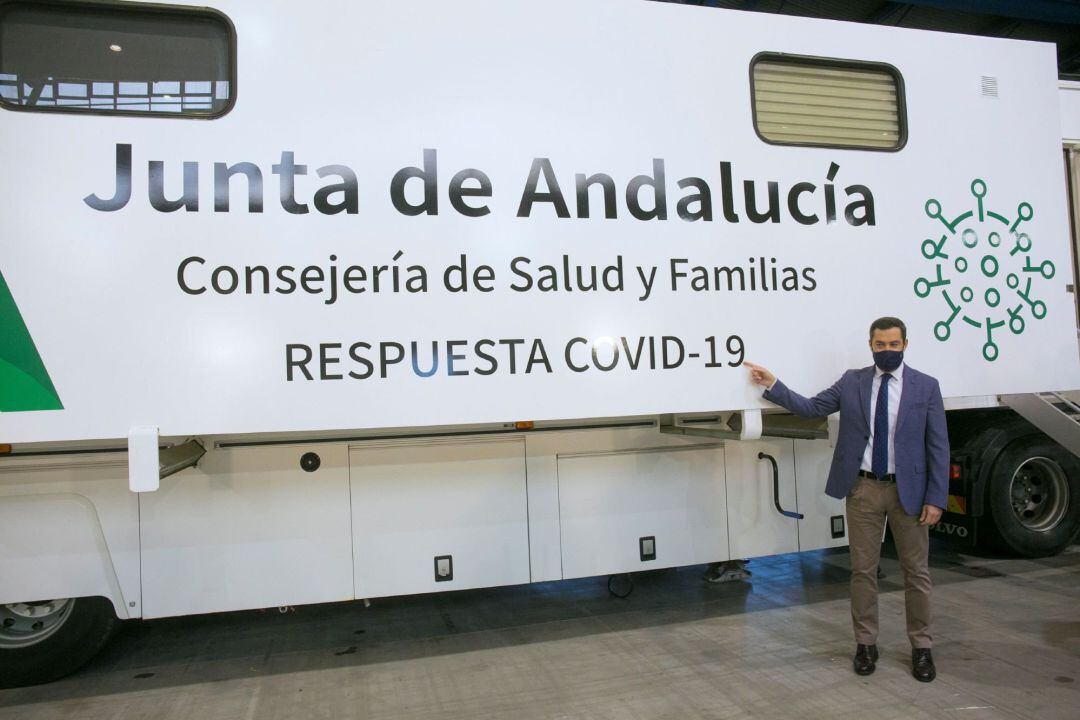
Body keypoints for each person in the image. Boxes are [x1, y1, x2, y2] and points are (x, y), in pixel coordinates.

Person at [744, 317, 947, 682]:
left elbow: (938, 446)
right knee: (862, 572)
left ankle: (922, 648)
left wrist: (936, 498)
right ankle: (865, 644)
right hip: (864, 490)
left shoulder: (926, 387)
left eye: (894, 345)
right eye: (881, 345)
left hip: (911, 495)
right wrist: (773, 384)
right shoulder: (853, 382)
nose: (887, 351)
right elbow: (811, 408)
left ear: (905, 344)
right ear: (871, 345)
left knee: (916, 573)